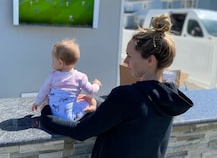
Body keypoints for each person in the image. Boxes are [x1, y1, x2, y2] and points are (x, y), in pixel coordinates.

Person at [40, 14, 194, 158]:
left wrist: (46, 112)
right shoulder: (169, 97)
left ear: (150, 60)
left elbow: (80, 131)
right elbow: (132, 119)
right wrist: (100, 106)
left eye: (130, 56)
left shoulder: (126, 96)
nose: (126, 61)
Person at [32, 39, 102, 121]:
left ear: (60, 62)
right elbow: (91, 90)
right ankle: (92, 106)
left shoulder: (53, 76)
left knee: (49, 96)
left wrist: (37, 102)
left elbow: (43, 90)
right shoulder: (80, 77)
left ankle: (89, 106)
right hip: (70, 117)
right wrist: (97, 84)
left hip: (53, 111)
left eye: (53, 60)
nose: (52, 63)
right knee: (88, 100)